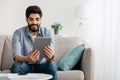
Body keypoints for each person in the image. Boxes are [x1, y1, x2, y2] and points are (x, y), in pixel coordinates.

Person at [10, 5, 57, 80]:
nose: (34, 22)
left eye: (37, 19)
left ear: (41, 19)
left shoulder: (47, 32)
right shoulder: (18, 33)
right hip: (26, 65)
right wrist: (28, 58)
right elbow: (16, 56)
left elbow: (50, 59)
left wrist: (50, 58)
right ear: (26, 19)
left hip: (42, 65)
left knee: (52, 65)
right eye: (31, 19)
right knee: (16, 66)